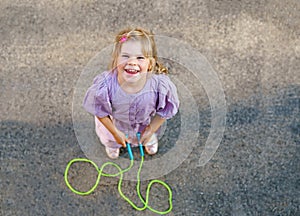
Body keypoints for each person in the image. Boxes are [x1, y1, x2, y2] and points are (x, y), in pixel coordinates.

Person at [83, 27, 179, 159]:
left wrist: (151, 130)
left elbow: (166, 110)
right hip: (115, 125)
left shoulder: (159, 86)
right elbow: (100, 112)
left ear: (150, 64)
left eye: (140, 57)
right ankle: (112, 144)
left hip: (144, 125)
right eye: (125, 56)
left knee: (145, 135)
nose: (132, 62)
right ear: (116, 59)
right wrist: (116, 133)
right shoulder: (105, 86)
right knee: (111, 138)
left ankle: (148, 138)